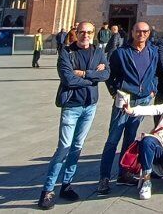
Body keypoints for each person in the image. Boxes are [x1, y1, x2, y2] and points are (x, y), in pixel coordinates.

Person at [38, 21, 109, 210]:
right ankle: (48, 190)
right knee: (64, 147)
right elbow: (68, 79)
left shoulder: (99, 52)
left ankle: (67, 185)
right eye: (82, 32)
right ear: (76, 33)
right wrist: (93, 78)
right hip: (71, 106)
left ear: (94, 34)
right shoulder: (66, 52)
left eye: (89, 32)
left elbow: (106, 74)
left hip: (90, 105)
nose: (85, 35)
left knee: (77, 146)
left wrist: (84, 74)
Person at [96, 21, 160, 195]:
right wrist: (113, 92)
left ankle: (124, 173)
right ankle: (104, 177)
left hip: (143, 100)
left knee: (130, 138)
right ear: (132, 32)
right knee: (113, 139)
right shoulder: (121, 53)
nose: (141, 34)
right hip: (125, 100)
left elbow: (155, 73)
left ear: (149, 33)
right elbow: (109, 74)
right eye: (138, 31)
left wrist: (153, 88)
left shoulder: (153, 51)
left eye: (145, 31)